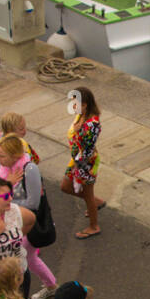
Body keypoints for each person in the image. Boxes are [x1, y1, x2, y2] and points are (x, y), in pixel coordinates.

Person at [0, 133, 56, 299]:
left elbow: (33, 203)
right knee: (20, 258)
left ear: (15, 155)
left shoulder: (30, 169)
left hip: (26, 223)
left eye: (1, 155)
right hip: (5, 223)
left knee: (24, 257)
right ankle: (50, 285)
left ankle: (46, 287)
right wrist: (8, 185)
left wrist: (7, 199)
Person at [66, 88, 105, 240]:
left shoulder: (92, 124)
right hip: (76, 160)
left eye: (75, 102)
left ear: (85, 104)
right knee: (65, 186)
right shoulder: (80, 116)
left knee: (88, 195)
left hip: (86, 163)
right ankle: (96, 202)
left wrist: (78, 166)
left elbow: (87, 149)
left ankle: (94, 226)